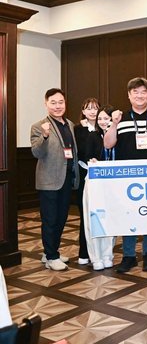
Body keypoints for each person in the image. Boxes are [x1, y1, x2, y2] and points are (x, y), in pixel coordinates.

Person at [104, 77, 147, 274]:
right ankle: (129, 256)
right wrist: (114, 124)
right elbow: (108, 144)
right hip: (127, 177)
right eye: (135, 92)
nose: (139, 96)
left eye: (143, 92)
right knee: (127, 214)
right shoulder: (120, 117)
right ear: (129, 95)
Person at [31, 88, 80, 271]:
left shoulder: (70, 124)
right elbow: (36, 152)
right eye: (53, 102)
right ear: (46, 104)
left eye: (61, 102)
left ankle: (51, 252)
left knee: (61, 218)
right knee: (50, 219)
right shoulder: (39, 126)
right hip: (49, 180)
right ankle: (51, 257)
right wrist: (44, 136)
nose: (57, 106)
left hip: (66, 179)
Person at [85, 105, 117, 271]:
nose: (103, 122)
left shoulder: (118, 135)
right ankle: (96, 257)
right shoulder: (92, 136)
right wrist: (92, 161)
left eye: (106, 118)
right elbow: (86, 155)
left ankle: (107, 255)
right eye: (100, 119)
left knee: (111, 221)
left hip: (114, 185)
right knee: (94, 220)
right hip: (95, 183)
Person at [73, 97, 99, 266]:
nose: (92, 111)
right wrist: (88, 130)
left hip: (102, 177)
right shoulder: (78, 129)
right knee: (85, 215)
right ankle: (84, 252)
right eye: (88, 108)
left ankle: (100, 252)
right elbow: (83, 151)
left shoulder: (104, 127)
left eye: (95, 108)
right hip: (84, 175)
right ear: (83, 111)